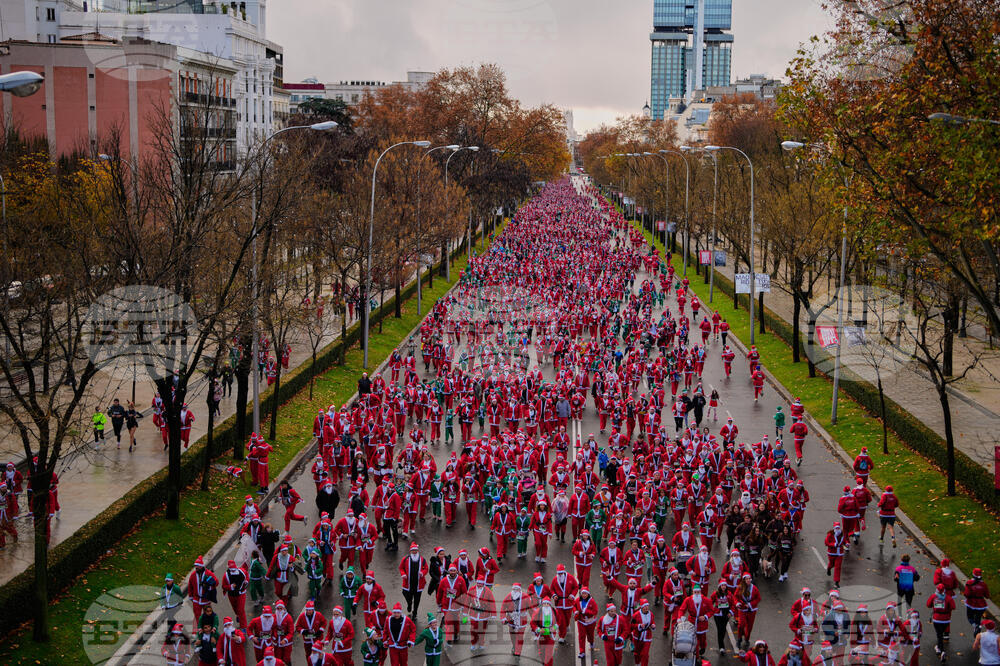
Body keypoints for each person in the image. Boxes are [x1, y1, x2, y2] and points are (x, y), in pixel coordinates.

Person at [927, 583, 957, 657]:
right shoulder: (948, 598)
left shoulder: (934, 596)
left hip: (937, 619)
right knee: (940, 634)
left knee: (939, 635)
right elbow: (953, 607)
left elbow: (928, 605)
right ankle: (939, 648)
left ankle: (942, 650)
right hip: (946, 620)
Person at [964, 568, 992, 637]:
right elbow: (987, 596)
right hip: (981, 605)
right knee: (978, 618)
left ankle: (975, 626)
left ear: (973, 574)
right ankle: (978, 631)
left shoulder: (969, 583)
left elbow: (967, 594)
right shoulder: (984, 584)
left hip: (971, 603)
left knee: (970, 617)